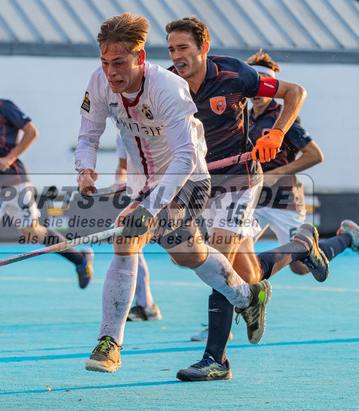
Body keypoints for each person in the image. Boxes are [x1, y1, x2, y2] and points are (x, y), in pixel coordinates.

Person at [75, 12, 322, 375]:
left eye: (119, 63)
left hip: (203, 179)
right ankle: (255, 290)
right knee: (195, 257)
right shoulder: (102, 83)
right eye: (105, 62)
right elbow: (88, 134)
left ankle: (207, 358)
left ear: (140, 57)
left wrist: (277, 133)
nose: (111, 72)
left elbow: (186, 157)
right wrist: (85, 168)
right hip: (154, 182)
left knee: (132, 238)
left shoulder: (188, 83)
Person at [159, 17, 333, 381]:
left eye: (183, 48)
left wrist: (277, 133)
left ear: (203, 48)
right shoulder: (167, 85)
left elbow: (295, 91)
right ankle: (302, 246)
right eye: (171, 49)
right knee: (243, 273)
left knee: (219, 258)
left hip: (240, 179)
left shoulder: (235, 73)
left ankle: (216, 360)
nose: (176, 56)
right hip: (202, 184)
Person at [0, 64, 93, 310]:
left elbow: (31, 132)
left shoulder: (4, 106)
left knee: (32, 233)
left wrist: (10, 158)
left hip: (14, 182)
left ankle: (79, 259)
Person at [247, 50, 359, 269]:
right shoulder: (244, 118)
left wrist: (276, 174)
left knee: (301, 267)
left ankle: (347, 238)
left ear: (273, 86)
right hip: (254, 199)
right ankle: (253, 289)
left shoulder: (282, 118)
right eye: (255, 83)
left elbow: (315, 155)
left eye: (265, 83)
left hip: (284, 201)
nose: (259, 89)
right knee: (234, 254)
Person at [115, 133, 160, 322]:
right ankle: (146, 305)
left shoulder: (162, 124)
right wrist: (119, 181)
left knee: (194, 256)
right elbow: (122, 166)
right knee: (130, 244)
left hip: (170, 194)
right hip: (143, 198)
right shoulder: (121, 134)